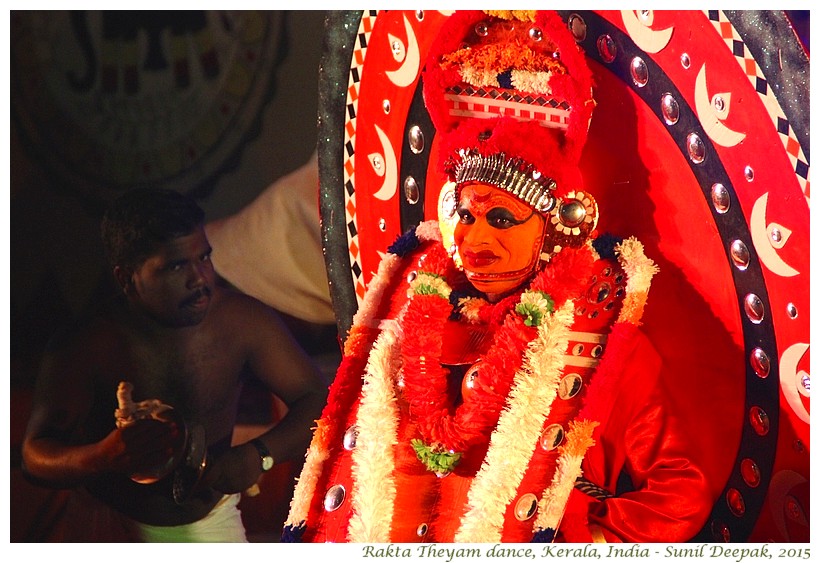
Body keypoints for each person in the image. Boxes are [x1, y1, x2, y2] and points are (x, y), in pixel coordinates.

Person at [282, 10, 711, 543]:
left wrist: (586, 543)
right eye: (466, 215)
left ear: (553, 226)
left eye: (503, 219)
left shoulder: (598, 337)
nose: (475, 240)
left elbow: (680, 491)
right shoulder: (407, 308)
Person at [21, 187, 328, 542]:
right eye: (177, 265)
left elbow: (316, 397)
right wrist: (102, 456)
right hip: (112, 525)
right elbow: (34, 456)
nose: (201, 279)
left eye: (204, 258)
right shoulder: (89, 342)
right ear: (126, 278)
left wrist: (260, 455)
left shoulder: (243, 320)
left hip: (213, 520)